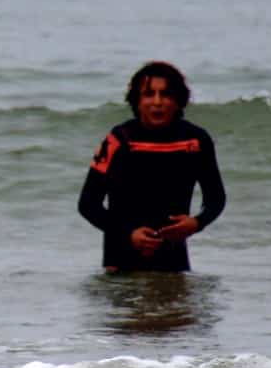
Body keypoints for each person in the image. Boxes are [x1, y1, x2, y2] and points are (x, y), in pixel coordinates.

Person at [78, 61, 226, 273]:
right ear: (137, 102)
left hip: (172, 266)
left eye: (165, 95)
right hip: (121, 266)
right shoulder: (118, 140)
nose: (157, 102)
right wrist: (128, 233)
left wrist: (196, 223)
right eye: (149, 94)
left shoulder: (196, 141)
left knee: (177, 307)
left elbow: (216, 199)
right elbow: (88, 204)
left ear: (178, 101)